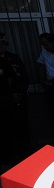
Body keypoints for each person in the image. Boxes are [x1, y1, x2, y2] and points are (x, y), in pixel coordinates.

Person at [0, 32, 29, 168]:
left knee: (20, 125)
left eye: (4, 44)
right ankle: (8, 156)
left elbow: (20, 76)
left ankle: (23, 153)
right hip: (3, 100)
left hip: (13, 98)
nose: (2, 47)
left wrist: (17, 92)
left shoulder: (11, 58)